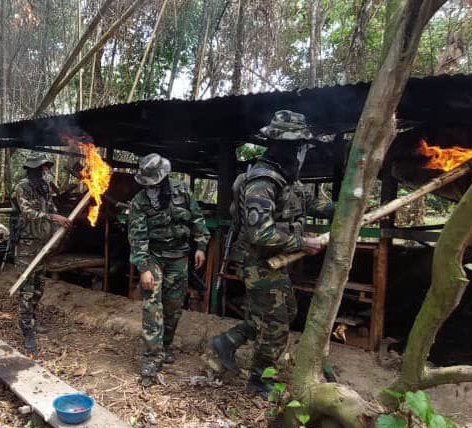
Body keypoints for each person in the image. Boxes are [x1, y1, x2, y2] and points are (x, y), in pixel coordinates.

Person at [205, 110, 332, 397]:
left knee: (287, 311)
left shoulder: (289, 180)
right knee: (275, 325)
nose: (303, 154)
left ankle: (227, 341)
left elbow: (312, 205)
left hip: (276, 264)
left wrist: (347, 207)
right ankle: (260, 381)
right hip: (258, 263)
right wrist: (303, 243)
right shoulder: (262, 182)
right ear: (289, 147)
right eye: (301, 147)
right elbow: (260, 234)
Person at [128, 153, 210, 387]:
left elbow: (197, 220)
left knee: (174, 306)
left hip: (179, 257)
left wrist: (201, 246)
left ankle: (165, 346)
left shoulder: (182, 191)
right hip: (153, 256)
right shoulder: (139, 202)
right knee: (153, 305)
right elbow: (137, 237)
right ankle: (152, 358)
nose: (151, 186)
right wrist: (143, 267)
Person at [11, 152, 71, 356]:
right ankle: (26, 329)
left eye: (46, 168)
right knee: (27, 289)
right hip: (27, 246)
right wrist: (52, 216)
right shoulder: (22, 187)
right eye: (41, 168)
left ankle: (32, 320)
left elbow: (52, 208)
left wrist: (58, 223)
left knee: (38, 286)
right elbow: (28, 213)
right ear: (32, 169)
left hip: (42, 245)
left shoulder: (44, 188)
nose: (45, 171)